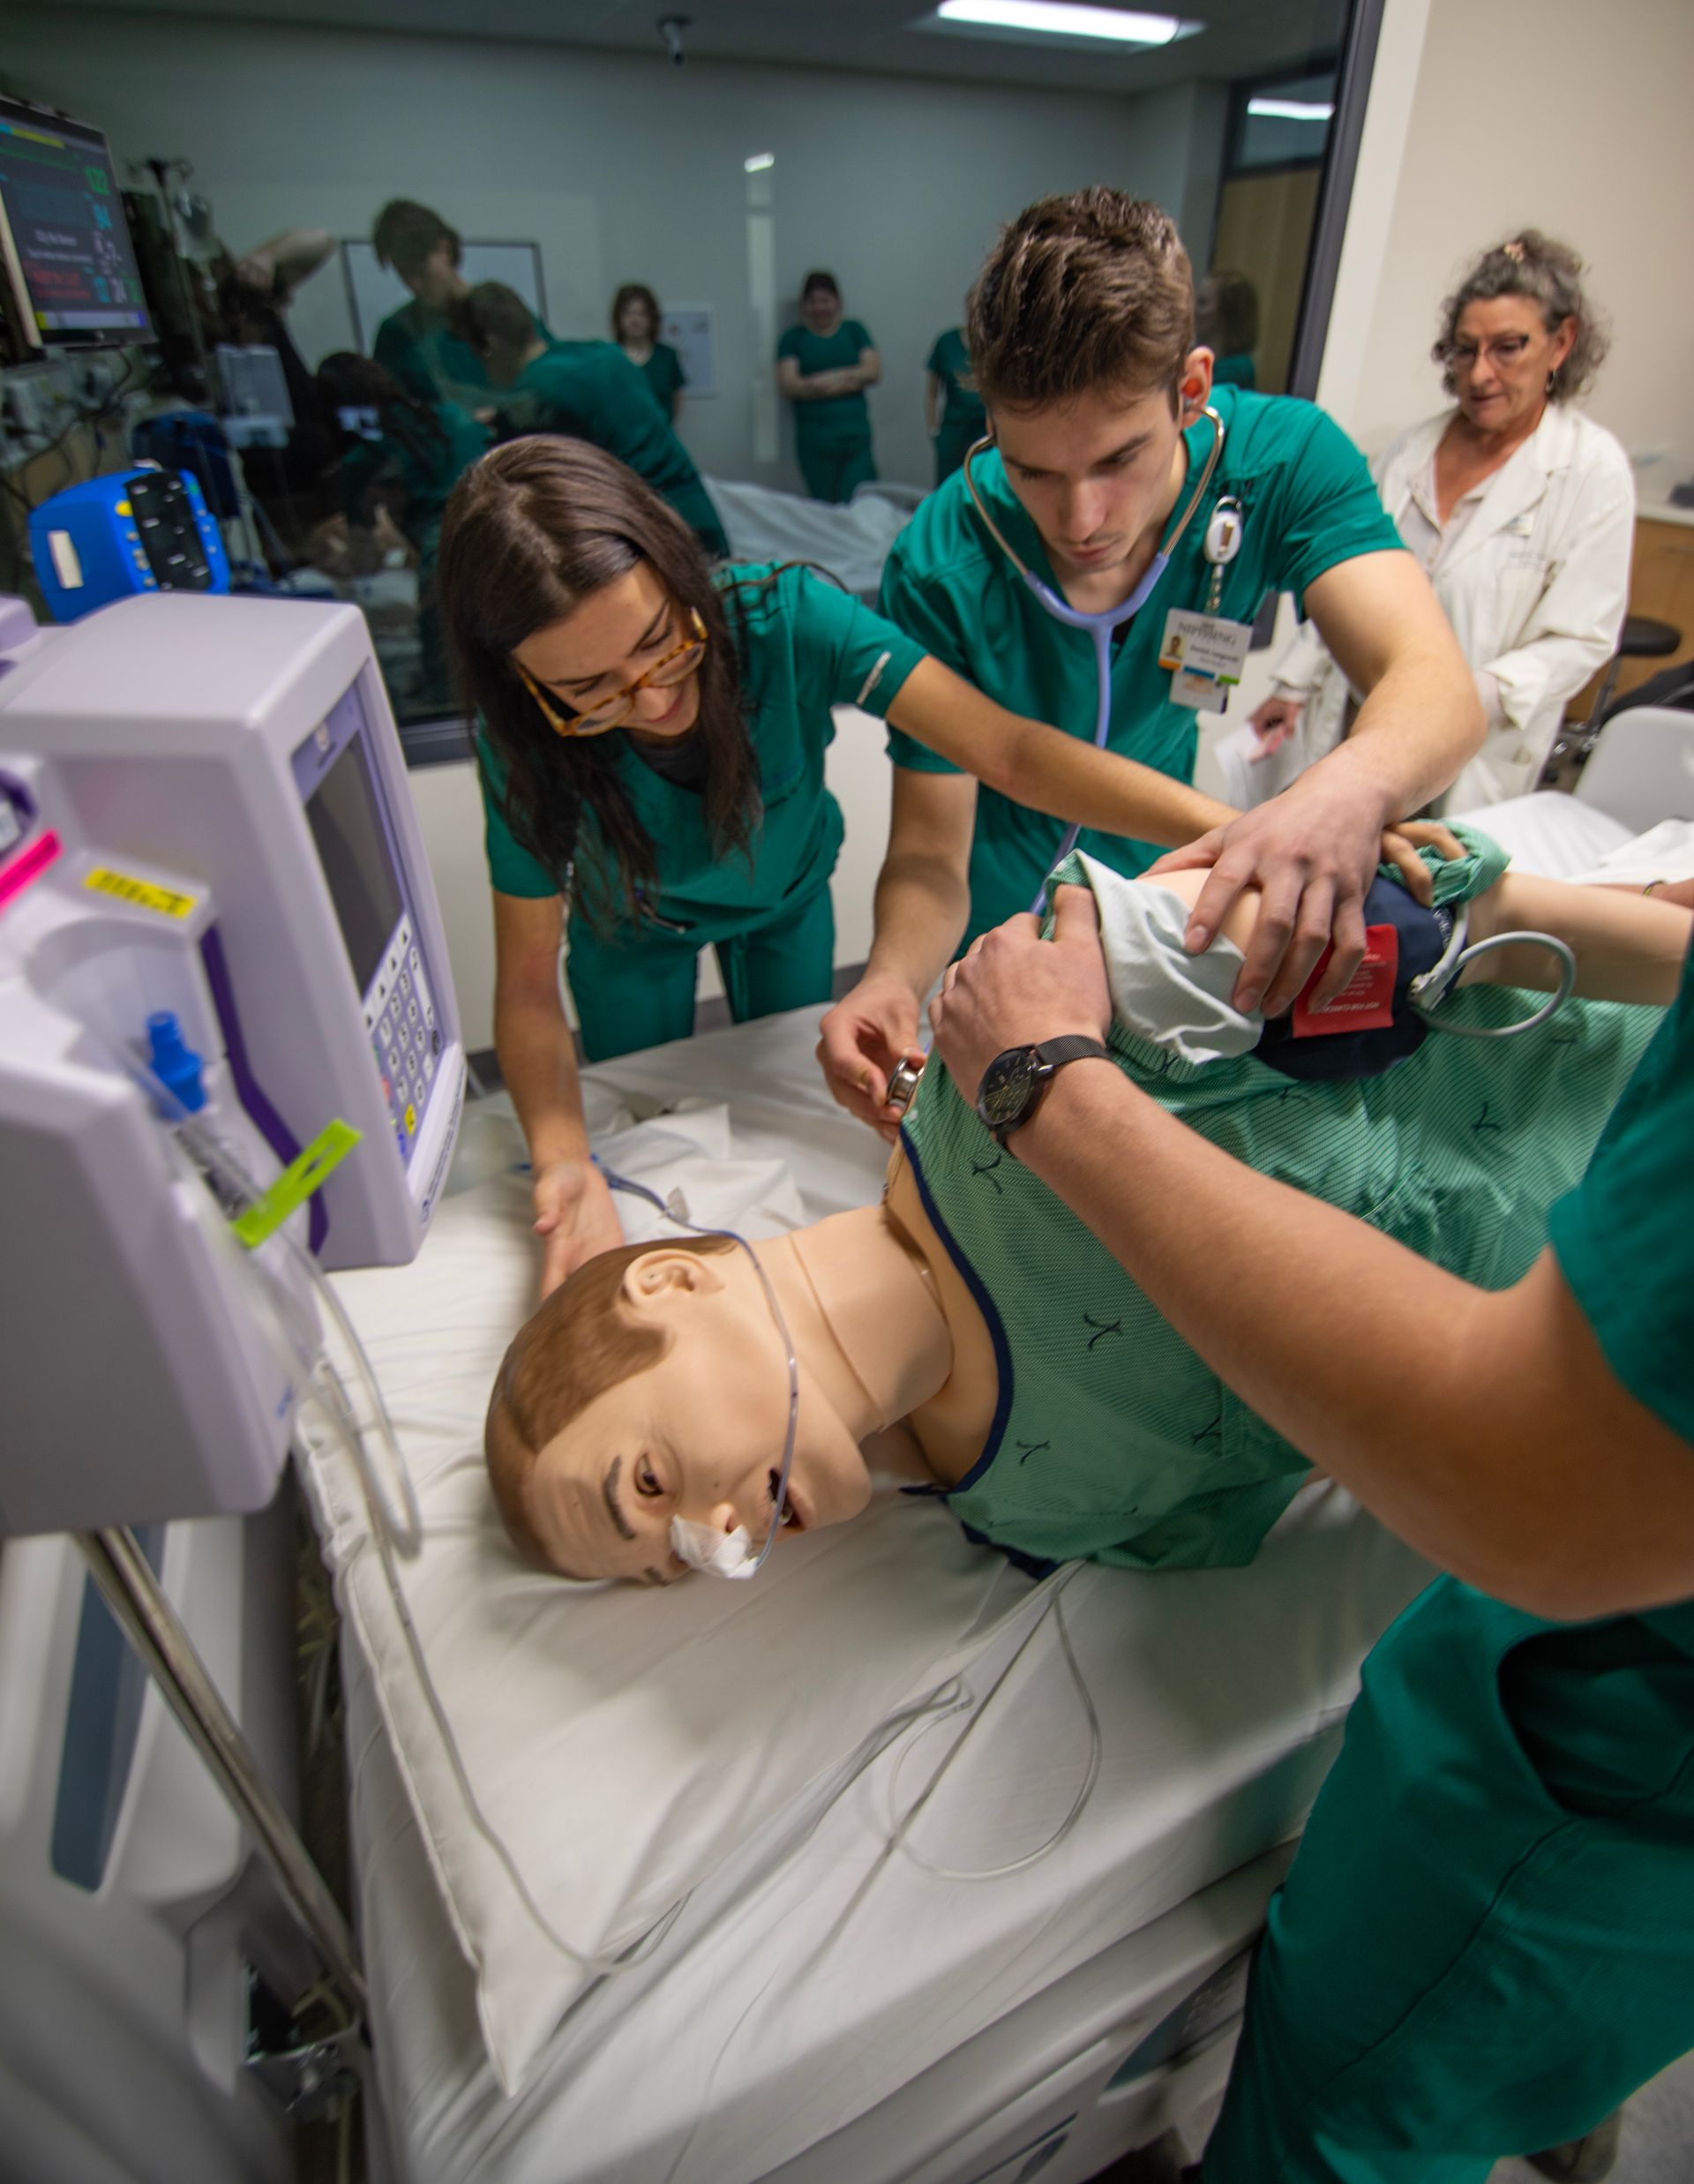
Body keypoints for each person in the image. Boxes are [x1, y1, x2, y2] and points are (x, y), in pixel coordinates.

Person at [926, 845, 1694, 2181]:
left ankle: (1529, 2079)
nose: (719, 1529)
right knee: (1544, 2014)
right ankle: (1552, 2084)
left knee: (1353, 2087)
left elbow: (1534, 1482)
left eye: (642, 1481)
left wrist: (1045, 1085)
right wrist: (1508, 905)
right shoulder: (1026, 1470)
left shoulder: (1009, 1098)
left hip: (1612, 1718)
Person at [482, 837, 1684, 1584]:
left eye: (646, 1486)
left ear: (670, 1279)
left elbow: (1465, 931)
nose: (714, 1541)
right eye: (667, 1570)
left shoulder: (1016, 1014)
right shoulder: (1036, 1513)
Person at [441, 438, 1446, 1297]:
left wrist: (1255, 828)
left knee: (798, 1083)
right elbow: (529, 983)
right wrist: (566, 1161)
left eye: (664, 646)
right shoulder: (522, 747)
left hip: (784, 905)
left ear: (678, 568)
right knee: (635, 1119)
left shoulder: (780, 620)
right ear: (526, 687)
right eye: (592, 692)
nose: (654, 701)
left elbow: (1007, 750)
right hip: (633, 936)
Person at [819, 190, 1486, 1139]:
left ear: (1191, 388)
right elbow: (931, 847)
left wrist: (1341, 796)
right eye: (1032, 471)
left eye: (1118, 459)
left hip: (1169, 899)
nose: (1080, 519)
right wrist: (892, 975)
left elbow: (1434, 684)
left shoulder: (1281, 463)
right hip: (999, 926)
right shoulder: (942, 559)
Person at [1253, 232, 1634, 814]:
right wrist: (1292, 682)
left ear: (1562, 343)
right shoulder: (1410, 452)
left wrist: (1443, 708)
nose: (1479, 374)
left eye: (1508, 347)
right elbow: (1343, 568)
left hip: (1475, 750)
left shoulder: (1589, 471)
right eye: (1465, 350)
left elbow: (1579, 640)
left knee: (1436, 892)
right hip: (1356, 724)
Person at [457, 281, 729, 559]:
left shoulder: (538, 391)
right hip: (698, 518)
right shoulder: (605, 354)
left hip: (653, 534)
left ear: (489, 344)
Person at [317, 352, 490, 706]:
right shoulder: (451, 418)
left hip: (442, 560)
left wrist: (337, 561)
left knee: (449, 679)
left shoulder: (366, 457)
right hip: (497, 535)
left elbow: (363, 560)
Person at [370, 199, 551, 408]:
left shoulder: (500, 307)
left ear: (443, 249)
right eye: (404, 274)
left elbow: (548, 378)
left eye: (419, 270)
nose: (415, 284)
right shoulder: (396, 334)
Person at [776, 273, 880, 504]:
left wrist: (829, 378)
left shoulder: (854, 330)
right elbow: (789, 385)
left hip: (856, 440)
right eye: (813, 301)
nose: (819, 307)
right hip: (816, 444)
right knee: (824, 506)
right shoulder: (793, 339)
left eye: (825, 300)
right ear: (805, 305)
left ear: (838, 302)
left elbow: (873, 371)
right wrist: (850, 381)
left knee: (860, 501)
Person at [611, 282, 686, 422]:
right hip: (619, 439)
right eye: (629, 313)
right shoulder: (609, 357)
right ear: (619, 318)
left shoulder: (667, 356)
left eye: (642, 313)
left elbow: (676, 402)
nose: (636, 320)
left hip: (660, 437)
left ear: (652, 318)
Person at [924, 324, 986, 485]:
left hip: (985, 433)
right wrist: (933, 429)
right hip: (953, 432)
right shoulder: (947, 342)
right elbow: (932, 393)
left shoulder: (997, 341)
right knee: (949, 488)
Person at [1195, 269, 1259, 389]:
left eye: (1203, 303)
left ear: (1227, 312)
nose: (1194, 310)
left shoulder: (1238, 369)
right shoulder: (1198, 359)